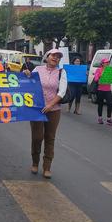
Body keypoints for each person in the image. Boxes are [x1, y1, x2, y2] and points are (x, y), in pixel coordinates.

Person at [22, 49, 67, 179]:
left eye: (58, 57)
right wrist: (27, 74)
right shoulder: (38, 70)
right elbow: (30, 82)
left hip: (53, 110)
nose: (55, 58)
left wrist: (50, 105)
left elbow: (62, 92)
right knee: (37, 137)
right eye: (53, 55)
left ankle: (47, 167)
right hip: (37, 109)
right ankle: (35, 163)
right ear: (47, 57)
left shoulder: (61, 73)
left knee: (50, 137)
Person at [93, 58, 112, 126]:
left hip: (108, 90)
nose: (107, 63)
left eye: (108, 62)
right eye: (106, 62)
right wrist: (101, 76)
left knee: (110, 103)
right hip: (100, 90)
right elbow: (96, 79)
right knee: (100, 104)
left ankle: (109, 119)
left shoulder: (110, 70)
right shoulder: (98, 70)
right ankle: (100, 118)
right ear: (102, 63)